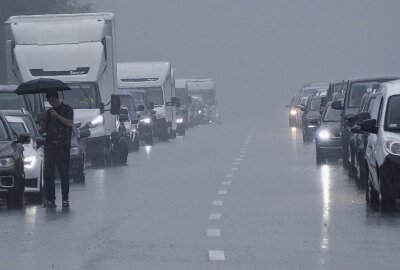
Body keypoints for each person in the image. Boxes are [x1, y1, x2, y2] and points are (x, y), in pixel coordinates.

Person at [41, 91, 74, 208]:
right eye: (50, 101)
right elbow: (43, 130)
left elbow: (70, 123)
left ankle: (65, 198)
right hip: (50, 146)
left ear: (57, 98)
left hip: (62, 146)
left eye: (53, 100)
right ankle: (50, 199)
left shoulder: (67, 109)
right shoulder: (48, 113)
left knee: (64, 173)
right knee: (48, 174)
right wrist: (44, 119)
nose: (52, 103)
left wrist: (57, 116)